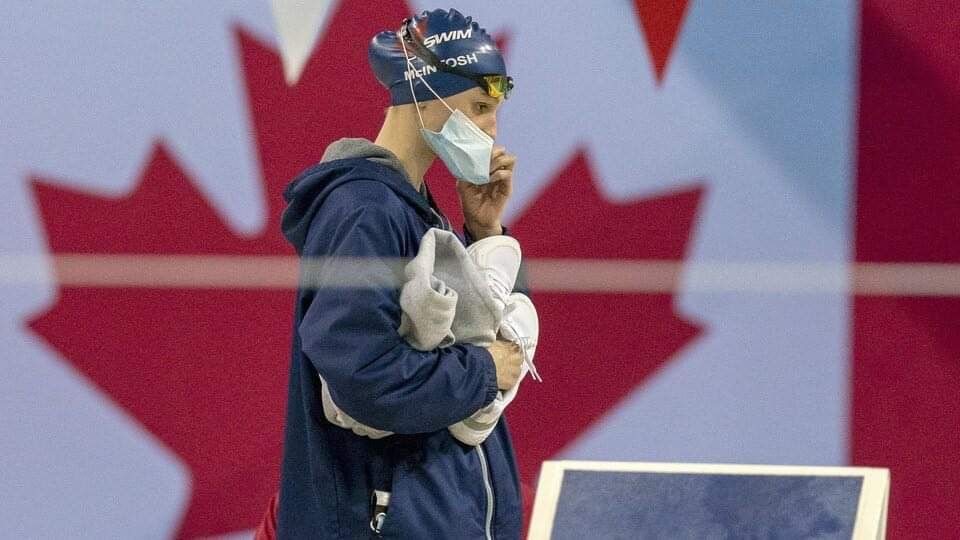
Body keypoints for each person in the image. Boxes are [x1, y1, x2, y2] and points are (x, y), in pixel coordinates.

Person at [272, 8, 527, 539]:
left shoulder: (414, 210)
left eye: (495, 111)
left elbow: (489, 334)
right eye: (480, 107)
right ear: (423, 95)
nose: (491, 130)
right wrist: (484, 371)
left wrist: (484, 231)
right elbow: (365, 376)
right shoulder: (365, 211)